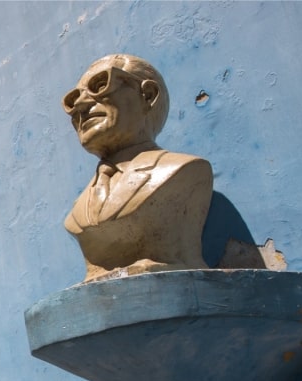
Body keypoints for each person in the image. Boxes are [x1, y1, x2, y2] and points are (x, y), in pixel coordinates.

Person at [62, 53, 213, 283]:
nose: (80, 106)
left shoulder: (183, 171)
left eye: (100, 85)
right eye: (73, 100)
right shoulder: (78, 208)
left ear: (148, 95)